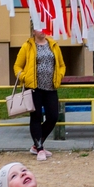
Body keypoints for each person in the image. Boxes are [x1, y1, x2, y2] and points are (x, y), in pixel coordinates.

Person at [13, 26, 66, 161]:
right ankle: (40, 148)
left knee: (53, 117)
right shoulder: (27, 46)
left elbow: (61, 65)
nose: (42, 30)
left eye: (44, 27)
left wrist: (59, 76)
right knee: (36, 117)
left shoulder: (53, 45)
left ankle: (37, 145)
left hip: (51, 88)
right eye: (39, 27)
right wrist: (24, 77)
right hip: (33, 88)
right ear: (33, 31)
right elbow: (17, 66)